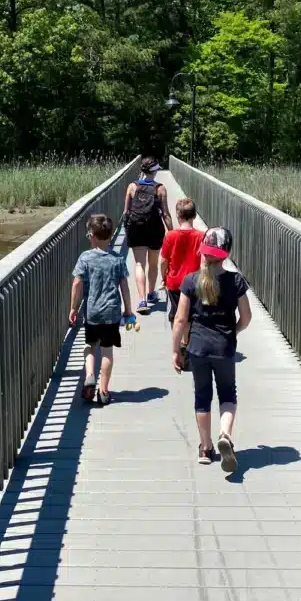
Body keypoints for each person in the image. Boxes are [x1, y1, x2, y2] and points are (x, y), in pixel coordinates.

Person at [172, 227, 252, 472]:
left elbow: (180, 320)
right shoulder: (235, 280)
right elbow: (246, 317)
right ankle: (225, 435)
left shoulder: (190, 281)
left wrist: (177, 349)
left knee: (202, 397)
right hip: (224, 347)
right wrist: (233, 332)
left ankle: (205, 448)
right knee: (228, 395)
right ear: (226, 254)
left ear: (203, 251)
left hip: (197, 348)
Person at [70, 213, 133, 406]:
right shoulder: (117, 259)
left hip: (92, 312)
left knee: (90, 345)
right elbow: (124, 286)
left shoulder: (85, 258)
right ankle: (103, 391)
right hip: (111, 313)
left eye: (89, 234)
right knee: (107, 352)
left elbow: (77, 283)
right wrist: (128, 310)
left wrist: (73, 308)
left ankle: (89, 375)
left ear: (93, 237)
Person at [123, 156, 172, 315]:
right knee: (153, 263)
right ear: (155, 170)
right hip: (154, 228)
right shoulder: (160, 188)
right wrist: (171, 233)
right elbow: (166, 214)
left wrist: (127, 229)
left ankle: (142, 300)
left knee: (139, 264)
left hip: (136, 228)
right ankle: (151, 293)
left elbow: (126, 212)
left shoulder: (132, 187)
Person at [160, 198, 204, 326]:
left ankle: (177, 343)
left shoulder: (170, 236)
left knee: (176, 315)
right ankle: (186, 342)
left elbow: (163, 261)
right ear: (195, 215)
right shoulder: (202, 236)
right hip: (194, 282)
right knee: (191, 316)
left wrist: (163, 276)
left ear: (177, 215)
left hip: (174, 282)